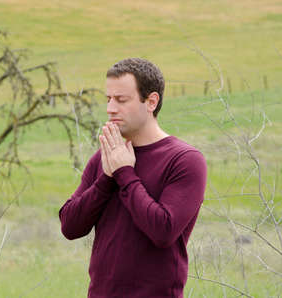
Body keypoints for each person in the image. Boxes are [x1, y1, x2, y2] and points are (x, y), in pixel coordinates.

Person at [59, 58, 207, 298]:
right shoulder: (104, 157)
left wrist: (124, 173)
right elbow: (70, 226)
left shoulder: (185, 160)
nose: (110, 108)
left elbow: (163, 231)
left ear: (151, 101)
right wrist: (106, 178)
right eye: (108, 99)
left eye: (121, 100)